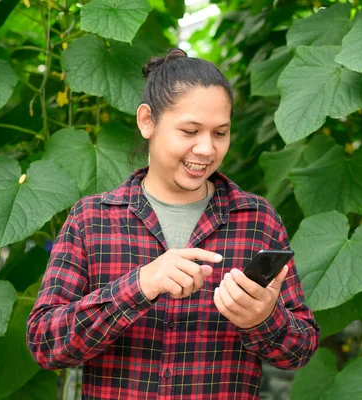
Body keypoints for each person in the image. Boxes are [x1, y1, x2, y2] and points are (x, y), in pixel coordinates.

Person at [26, 48, 320, 399]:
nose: (206, 149)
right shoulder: (92, 219)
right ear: (147, 120)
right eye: (190, 130)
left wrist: (264, 317)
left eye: (220, 133)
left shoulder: (256, 219)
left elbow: (300, 349)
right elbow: (45, 343)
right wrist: (139, 285)